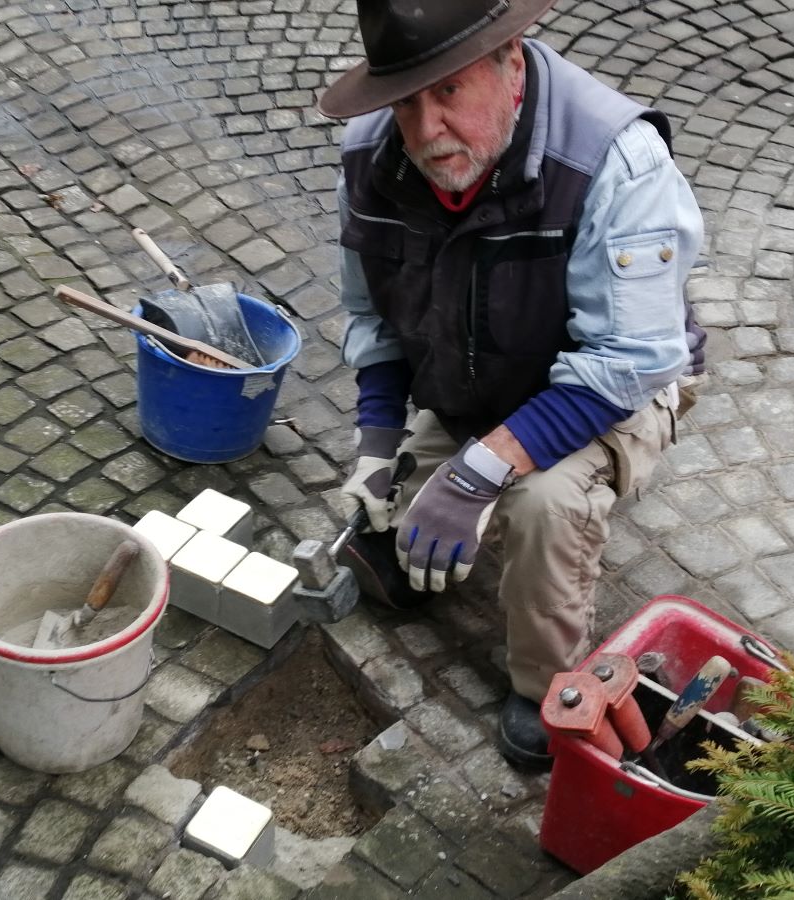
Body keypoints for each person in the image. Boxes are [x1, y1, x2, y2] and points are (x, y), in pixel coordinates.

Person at [318, 0, 706, 769]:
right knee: (399, 511)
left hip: (610, 391)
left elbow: (627, 358)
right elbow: (375, 318)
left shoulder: (614, 161)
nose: (426, 131)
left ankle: (546, 684)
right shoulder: (370, 159)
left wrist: (481, 470)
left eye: (450, 92)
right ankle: (429, 520)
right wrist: (375, 442)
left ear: (512, 61)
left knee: (541, 503)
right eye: (405, 101)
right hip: (475, 375)